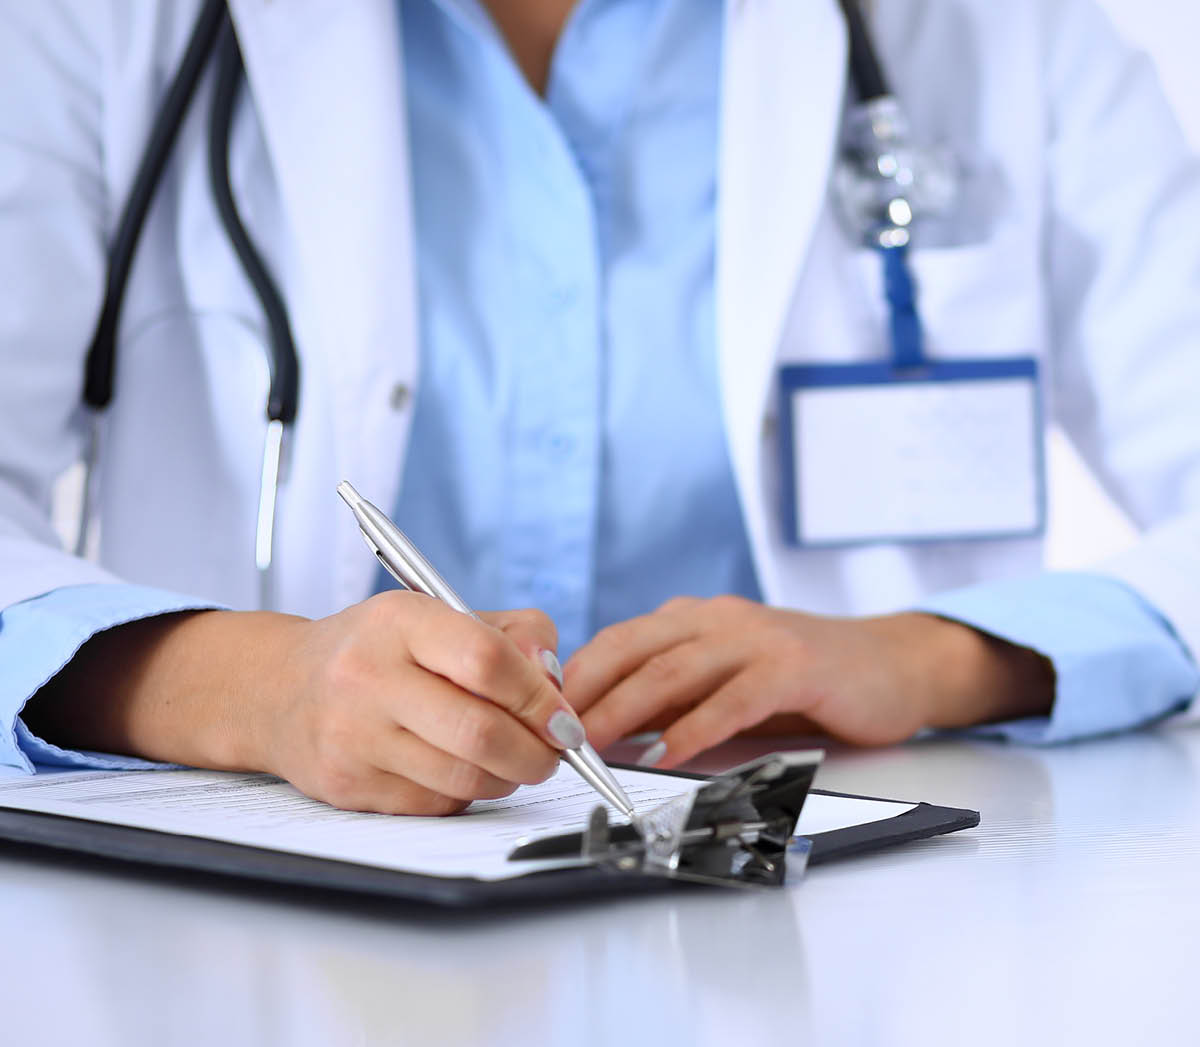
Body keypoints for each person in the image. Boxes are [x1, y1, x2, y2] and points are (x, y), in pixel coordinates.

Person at [0, 0, 1197, 816]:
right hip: (260, 966)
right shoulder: (95, 31)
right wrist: (254, 691)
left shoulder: (1004, 35)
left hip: (839, 948)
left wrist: (930, 657)